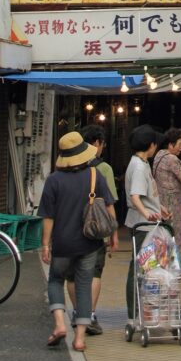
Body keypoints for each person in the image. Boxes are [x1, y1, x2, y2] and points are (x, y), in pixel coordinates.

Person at [38, 131, 118, 353]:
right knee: (84, 286)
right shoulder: (94, 175)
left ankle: (60, 325)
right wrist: (112, 234)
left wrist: (45, 244)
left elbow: (48, 216)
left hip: (63, 244)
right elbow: (109, 206)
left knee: (55, 280)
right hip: (89, 243)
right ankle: (80, 339)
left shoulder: (53, 180)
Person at [66, 124, 118, 336]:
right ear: (96, 143)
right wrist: (113, 233)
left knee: (71, 275)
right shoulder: (103, 169)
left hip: (69, 229)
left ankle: (78, 312)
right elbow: (110, 203)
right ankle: (91, 315)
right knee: (94, 272)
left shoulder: (65, 170)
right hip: (95, 230)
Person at [124, 124, 170, 320]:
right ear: (150, 145)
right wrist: (148, 213)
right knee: (142, 269)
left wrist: (159, 208)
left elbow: (145, 195)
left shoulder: (141, 163)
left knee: (147, 269)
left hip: (147, 223)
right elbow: (135, 196)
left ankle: (145, 312)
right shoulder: (138, 167)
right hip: (143, 226)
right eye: (155, 144)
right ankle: (136, 314)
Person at [153, 128, 181, 248]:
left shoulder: (159, 155)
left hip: (161, 200)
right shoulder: (172, 159)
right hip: (174, 203)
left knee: (165, 233)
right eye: (180, 144)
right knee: (177, 232)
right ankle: (177, 261)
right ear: (171, 144)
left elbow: (170, 176)